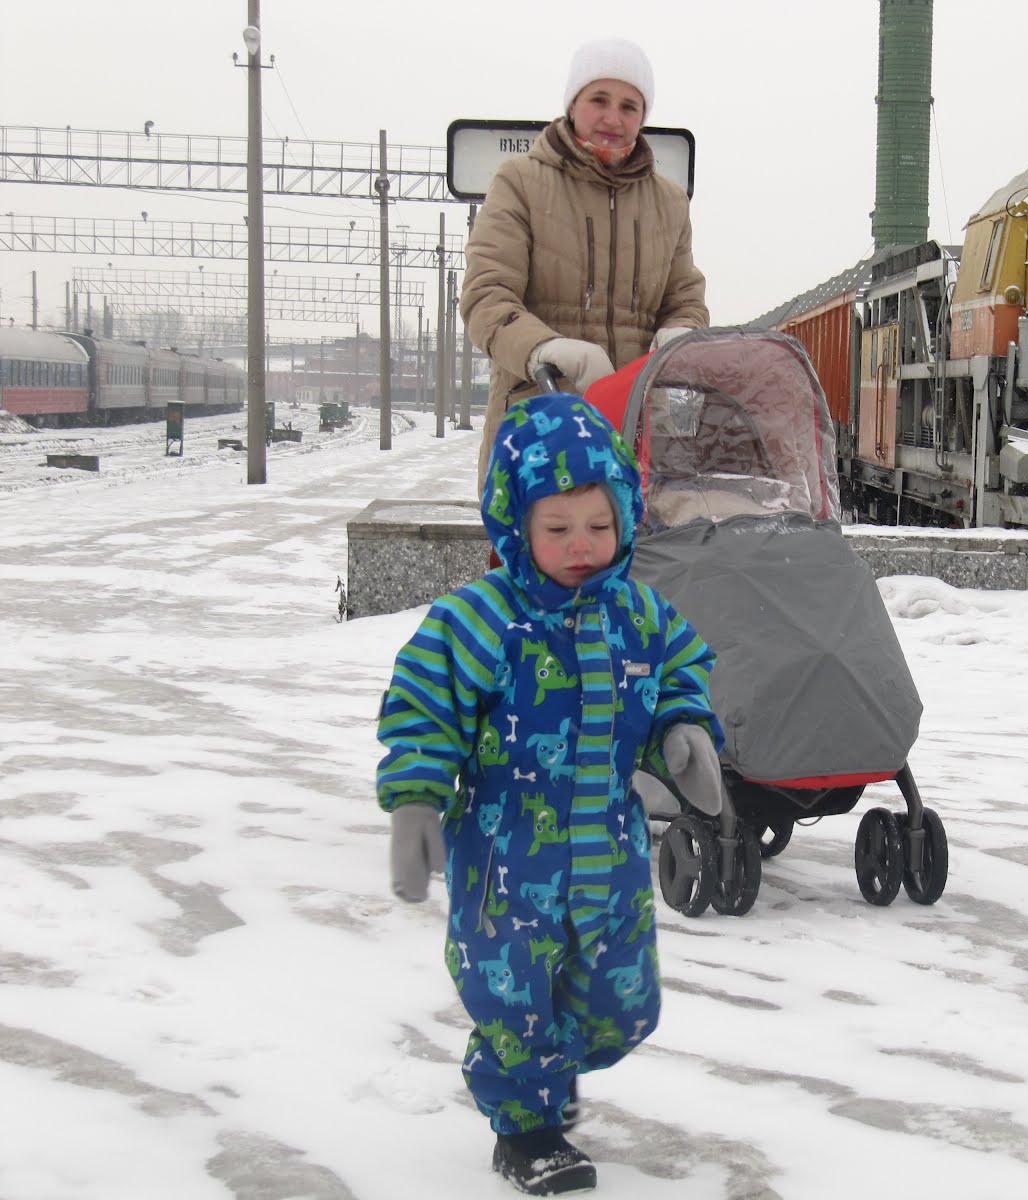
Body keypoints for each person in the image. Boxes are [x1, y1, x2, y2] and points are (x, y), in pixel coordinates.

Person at [376, 392, 726, 1196]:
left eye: (599, 525)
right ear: (517, 527)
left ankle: (554, 1064)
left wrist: (682, 729)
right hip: (508, 866)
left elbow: (681, 669)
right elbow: (424, 703)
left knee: (624, 1002)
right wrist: (416, 798)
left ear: (626, 519)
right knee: (513, 998)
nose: (581, 545)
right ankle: (525, 1127)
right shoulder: (482, 620)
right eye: (558, 527)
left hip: (610, 857)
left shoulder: (640, 615)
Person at [460, 35, 709, 493]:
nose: (613, 118)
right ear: (573, 104)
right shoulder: (519, 183)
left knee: (638, 539)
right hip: (538, 424)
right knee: (545, 539)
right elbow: (485, 296)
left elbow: (685, 299)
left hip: (634, 433)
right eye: (599, 99)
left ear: (643, 116)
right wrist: (544, 349)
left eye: (629, 106)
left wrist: (682, 331)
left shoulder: (670, 203)